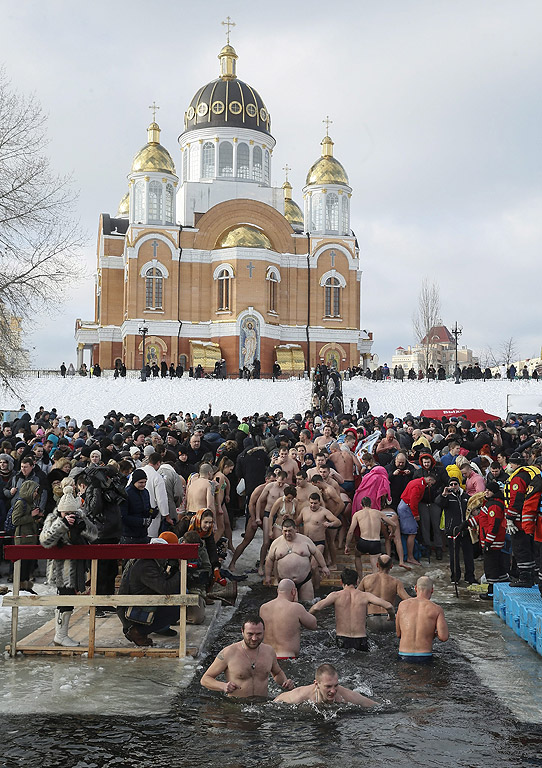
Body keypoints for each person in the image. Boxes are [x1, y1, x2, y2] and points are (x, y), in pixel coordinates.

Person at [40, 479, 98, 646]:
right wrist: (62, 524)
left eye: (71, 513)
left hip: (77, 567)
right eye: (66, 514)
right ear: (60, 512)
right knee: (64, 600)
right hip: (61, 568)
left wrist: (83, 523)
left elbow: (94, 535)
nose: (69, 516)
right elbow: (45, 540)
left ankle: (61, 635)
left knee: (69, 600)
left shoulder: (80, 517)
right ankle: (60, 635)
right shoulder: (53, 518)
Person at [200, 617, 294, 698]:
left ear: (264, 632)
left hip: (262, 705)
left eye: (258, 634)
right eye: (250, 634)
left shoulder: (269, 651)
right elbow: (205, 679)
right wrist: (223, 686)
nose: (254, 638)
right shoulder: (228, 653)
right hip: (236, 705)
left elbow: (277, 673)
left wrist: (285, 682)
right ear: (242, 632)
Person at [117, 535, 183, 646]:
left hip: (138, 603)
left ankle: (141, 631)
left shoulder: (147, 562)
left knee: (176, 596)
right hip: (132, 610)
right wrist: (181, 572)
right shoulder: (146, 566)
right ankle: (137, 631)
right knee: (176, 608)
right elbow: (164, 588)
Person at [309, 568, 394, 651]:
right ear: (357, 582)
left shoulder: (336, 595)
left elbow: (316, 608)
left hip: (342, 639)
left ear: (341, 582)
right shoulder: (365, 596)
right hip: (361, 640)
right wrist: (391, 616)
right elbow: (389, 606)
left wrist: (307, 621)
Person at [264, 519, 330, 601]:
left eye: (290, 531)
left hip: (304, 580)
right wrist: (267, 576)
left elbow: (316, 552)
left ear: (295, 529)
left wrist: (324, 566)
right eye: (285, 531)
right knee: (286, 608)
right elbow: (269, 560)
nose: (287, 533)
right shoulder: (276, 543)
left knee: (308, 605)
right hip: (285, 583)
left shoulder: (305, 540)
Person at [259, 578, 317, 659]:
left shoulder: (263, 608)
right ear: (294, 591)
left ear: (277, 591)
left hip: (267, 657)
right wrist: (296, 604)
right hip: (287, 658)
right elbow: (313, 625)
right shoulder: (296, 608)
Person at [395, 576, 449, 662]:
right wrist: (432, 634)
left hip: (403, 654)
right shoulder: (436, 609)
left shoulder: (402, 605)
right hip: (424, 656)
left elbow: (398, 634)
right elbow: (443, 637)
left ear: (416, 588)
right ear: (432, 590)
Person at [274, 662, 375, 706]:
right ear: (316, 684)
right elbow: (275, 702)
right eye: (328, 686)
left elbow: (373, 705)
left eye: (336, 685)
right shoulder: (300, 696)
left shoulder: (344, 695)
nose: (333, 690)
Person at [345, 496, 396, 578]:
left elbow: (351, 531)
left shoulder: (357, 514)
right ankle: (374, 582)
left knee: (357, 555)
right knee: (375, 566)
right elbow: (394, 524)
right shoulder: (378, 513)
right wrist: (392, 532)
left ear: (361, 504)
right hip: (375, 542)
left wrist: (347, 545)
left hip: (363, 541)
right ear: (371, 504)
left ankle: (361, 578)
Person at [358, 554, 410, 630]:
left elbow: (355, 596)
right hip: (389, 619)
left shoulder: (367, 579)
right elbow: (408, 600)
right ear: (391, 566)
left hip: (372, 619)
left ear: (377, 565)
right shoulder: (396, 582)